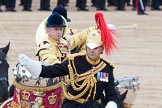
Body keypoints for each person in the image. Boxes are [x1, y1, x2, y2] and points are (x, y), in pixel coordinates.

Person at [19, 11, 122, 108]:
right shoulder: (74, 62)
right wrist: (29, 63)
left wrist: (112, 104)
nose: (91, 51)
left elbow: (111, 93)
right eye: (89, 47)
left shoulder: (106, 69)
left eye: (95, 48)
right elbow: (51, 70)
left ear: (101, 49)